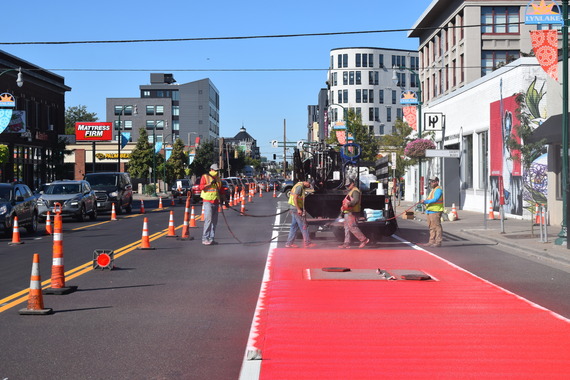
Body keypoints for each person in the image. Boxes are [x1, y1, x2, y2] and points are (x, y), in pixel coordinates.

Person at [338, 178, 370, 249]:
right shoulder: (351, 191)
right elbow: (348, 201)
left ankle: (364, 240)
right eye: (347, 185)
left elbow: (355, 200)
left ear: (353, 183)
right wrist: (343, 207)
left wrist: (348, 205)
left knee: (352, 227)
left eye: (348, 185)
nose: (347, 186)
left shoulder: (355, 191)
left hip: (352, 212)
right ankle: (346, 243)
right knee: (346, 228)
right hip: (348, 212)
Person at [199, 163, 225, 245]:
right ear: (211, 169)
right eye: (216, 170)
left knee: (214, 221)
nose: (217, 172)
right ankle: (205, 238)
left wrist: (225, 201)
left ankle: (211, 238)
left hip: (216, 201)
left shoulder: (218, 179)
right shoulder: (205, 177)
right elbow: (201, 187)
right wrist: (210, 184)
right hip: (207, 201)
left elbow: (221, 191)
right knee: (208, 220)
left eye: (217, 171)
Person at [285, 180, 316, 248]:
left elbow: (307, 192)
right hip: (296, 209)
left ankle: (289, 243)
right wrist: (298, 209)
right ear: (307, 182)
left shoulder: (299, 185)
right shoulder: (299, 187)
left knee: (294, 227)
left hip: (293, 208)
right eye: (309, 185)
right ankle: (307, 243)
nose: (309, 187)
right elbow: (295, 198)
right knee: (304, 225)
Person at [422, 177, 444, 247]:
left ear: (437, 182)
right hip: (430, 211)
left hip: (435, 211)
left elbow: (435, 199)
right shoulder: (433, 190)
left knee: (437, 226)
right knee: (431, 227)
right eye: (431, 182)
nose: (431, 183)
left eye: (433, 182)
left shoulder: (438, 190)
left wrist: (426, 201)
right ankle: (431, 241)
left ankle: (438, 242)